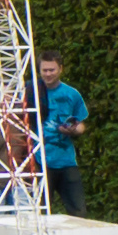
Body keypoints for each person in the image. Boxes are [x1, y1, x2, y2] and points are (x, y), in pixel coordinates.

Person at [35, 55, 88, 219]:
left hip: (66, 161)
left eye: (52, 70)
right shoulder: (30, 92)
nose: (48, 74)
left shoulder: (72, 94)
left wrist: (73, 129)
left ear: (60, 69)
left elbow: (81, 124)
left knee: (79, 212)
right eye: (44, 70)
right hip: (38, 162)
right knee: (39, 214)